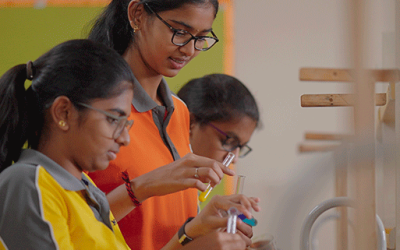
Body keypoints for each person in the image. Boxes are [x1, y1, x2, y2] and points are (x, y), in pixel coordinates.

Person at [0, 39, 260, 250]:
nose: (124, 138)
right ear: (64, 112)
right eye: (113, 119)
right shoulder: (28, 183)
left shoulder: (85, 190)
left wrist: (191, 233)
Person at [87, 1, 248, 249]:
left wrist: (203, 228)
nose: (190, 50)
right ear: (137, 14)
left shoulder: (180, 111)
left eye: (201, 38)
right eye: (180, 32)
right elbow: (70, 224)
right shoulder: (93, 108)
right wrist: (141, 188)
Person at [177, 73, 260, 164]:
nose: (234, 159)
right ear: (190, 123)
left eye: (241, 148)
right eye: (229, 142)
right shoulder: (160, 173)